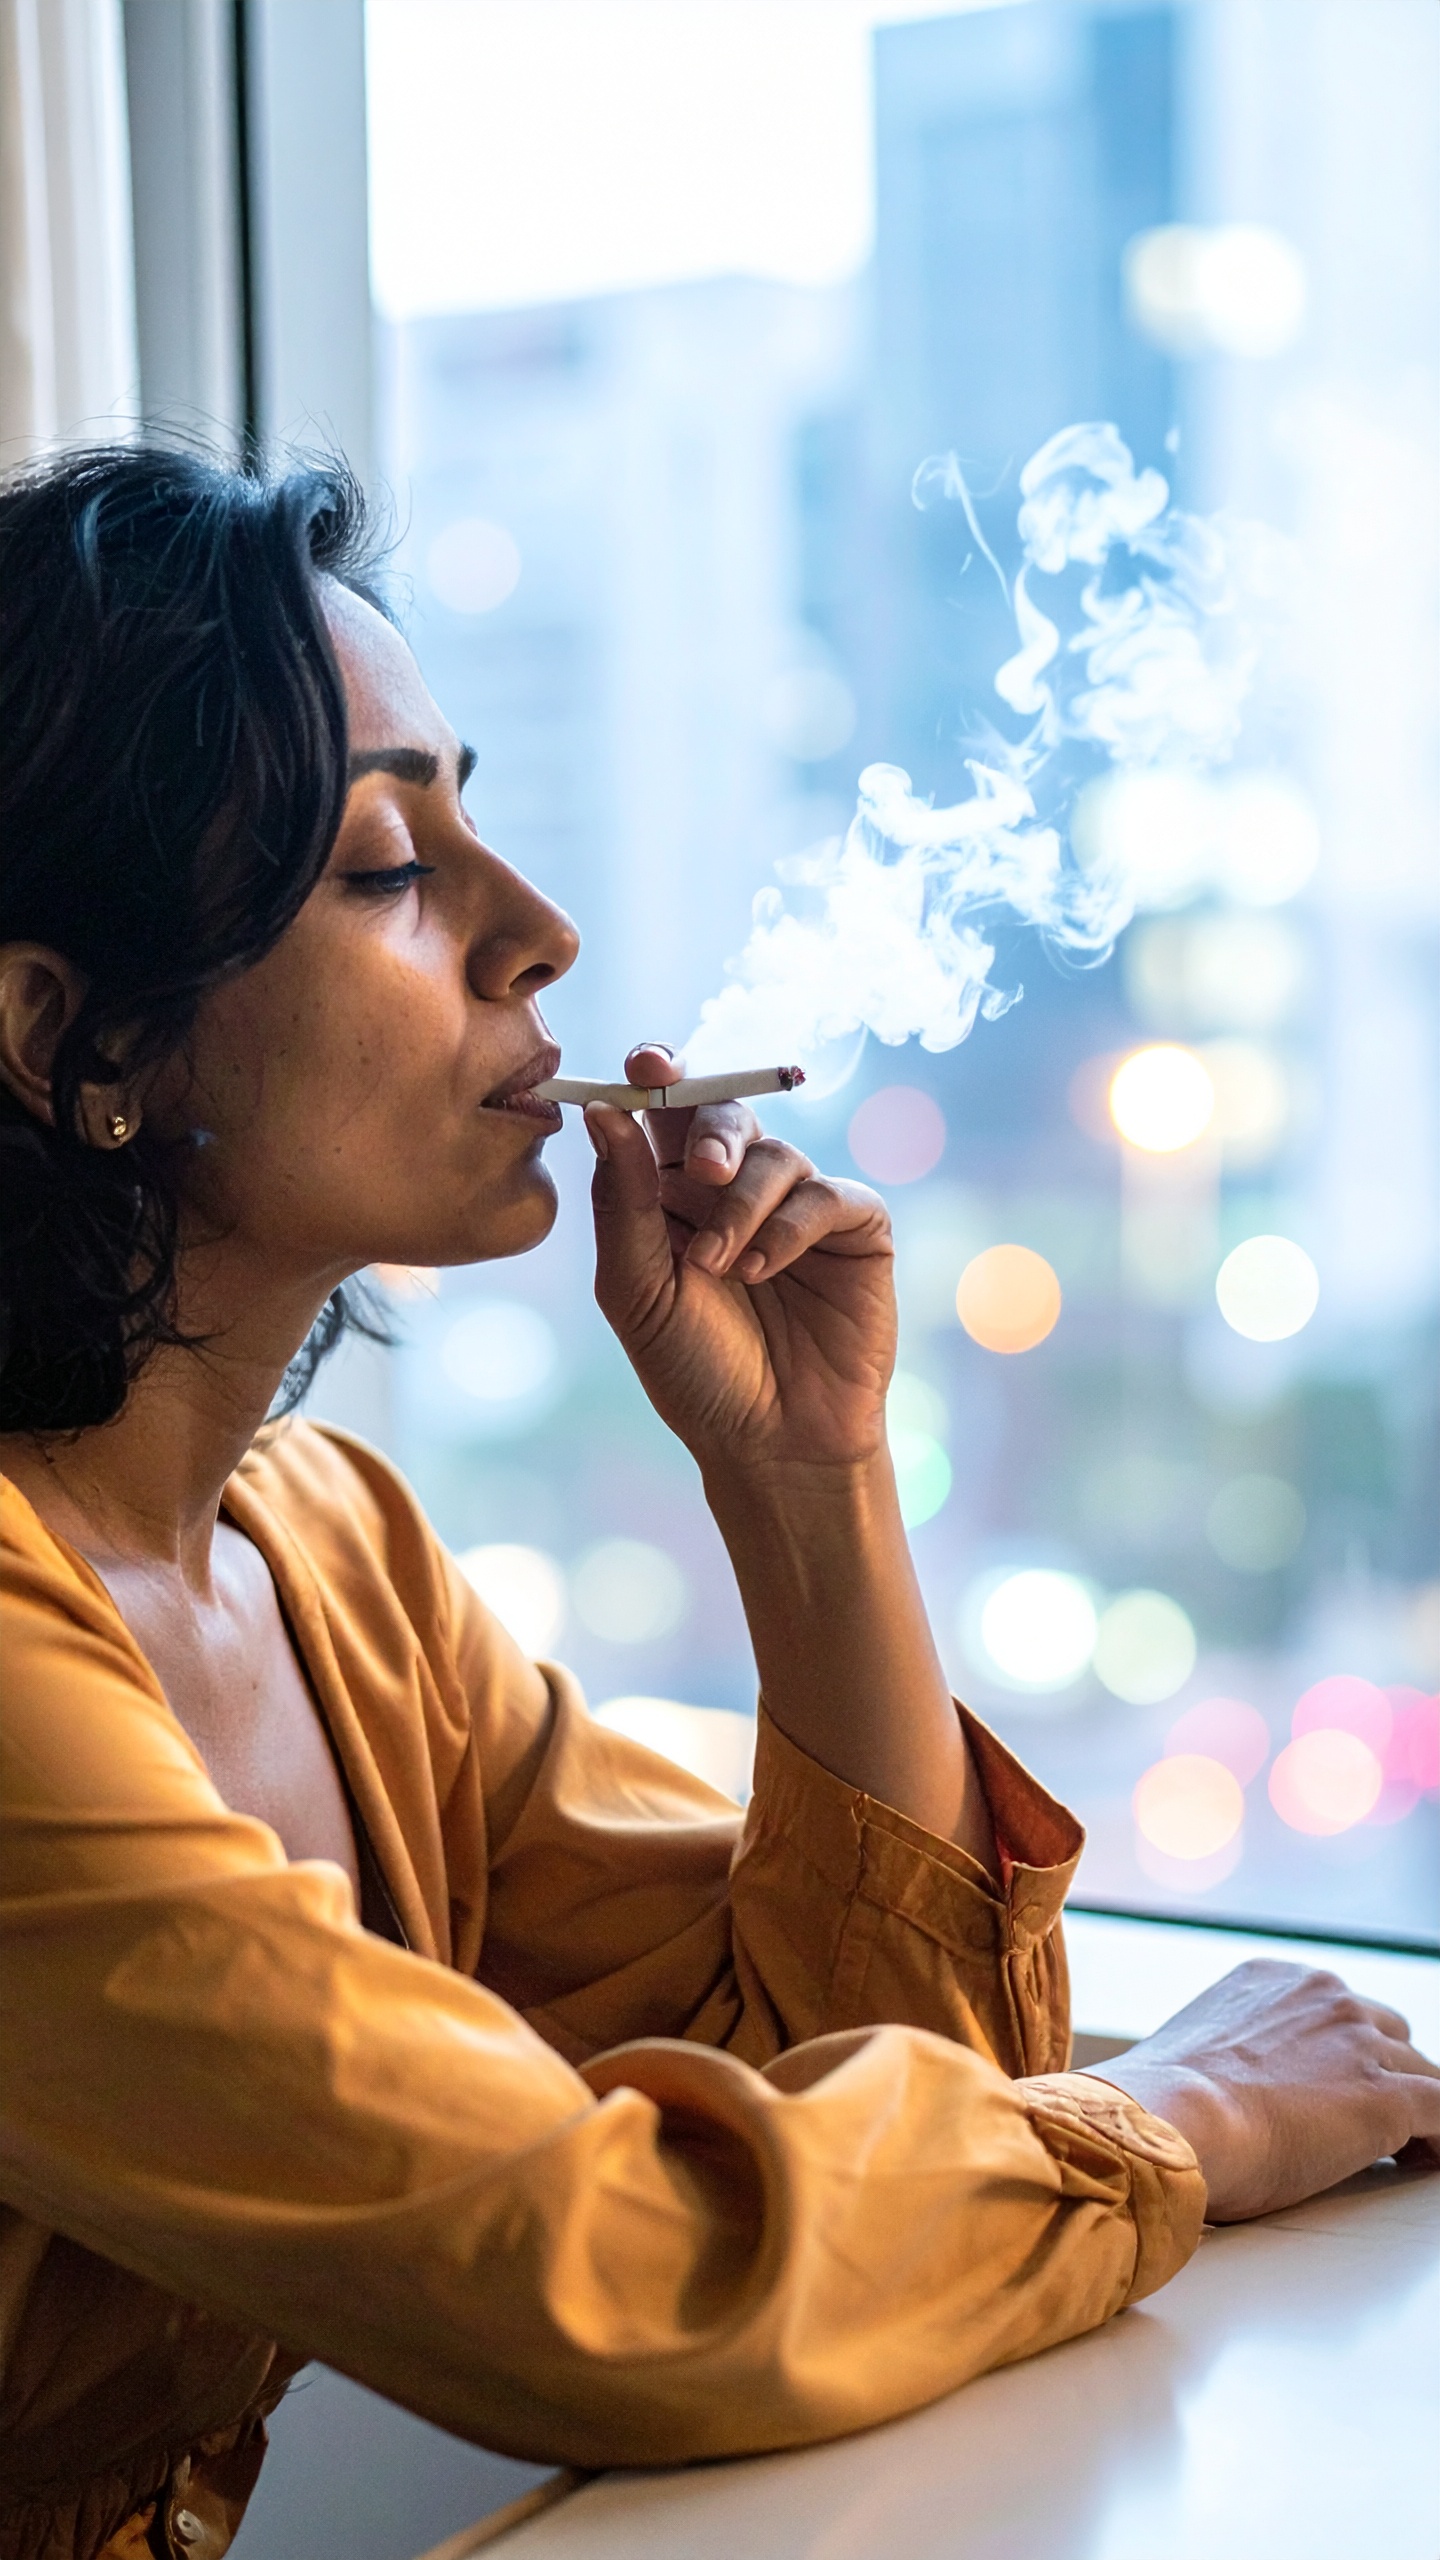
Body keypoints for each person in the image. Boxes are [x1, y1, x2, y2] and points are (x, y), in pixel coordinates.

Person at [0, 447, 1434, 2560]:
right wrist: (1189, 2113)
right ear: (73, 1039)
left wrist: (806, 1483)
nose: (542, 929)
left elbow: (883, 2075)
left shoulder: (336, 1562)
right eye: (392, 861)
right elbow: (606, 2269)